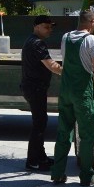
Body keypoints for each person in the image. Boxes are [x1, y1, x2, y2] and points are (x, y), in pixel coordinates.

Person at [49, 10, 94, 187]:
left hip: (66, 91)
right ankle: (86, 176)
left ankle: (58, 173)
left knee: (63, 133)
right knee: (88, 135)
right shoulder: (92, 40)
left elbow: (65, 61)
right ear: (91, 22)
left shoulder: (65, 37)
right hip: (82, 93)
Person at [21, 14, 63, 172]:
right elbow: (51, 65)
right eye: (46, 27)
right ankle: (32, 161)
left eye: (51, 27)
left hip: (34, 87)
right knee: (39, 124)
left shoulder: (32, 41)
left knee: (41, 122)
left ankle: (41, 157)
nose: (49, 30)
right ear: (36, 26)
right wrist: (69, 73)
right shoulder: (37, 43)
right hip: (35, 88)